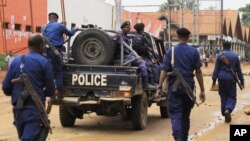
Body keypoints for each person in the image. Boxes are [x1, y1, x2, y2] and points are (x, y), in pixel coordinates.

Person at [2, 34, 55, 141]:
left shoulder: (15, 61)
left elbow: (6, 87)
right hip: (34, 111)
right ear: (41, 46)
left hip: (18, 111)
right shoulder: (44, 62)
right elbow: (50, 90)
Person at [156, 28, 205, 141]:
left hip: (174, 88)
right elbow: (198, 71)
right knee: (185, 115)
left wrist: (159, 86)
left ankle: (178, 138)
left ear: (177, 36)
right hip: (189, 86)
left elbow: (164, 70)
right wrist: (202, 90)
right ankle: (184, 138)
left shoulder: (170, 51)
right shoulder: (194, 52)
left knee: (176, 114)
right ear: (188, 37)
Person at [42, 12, 77, 97]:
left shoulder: (44, 26)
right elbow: (70, 33)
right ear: (57, 19)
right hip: (55, 51)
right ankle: (60, 90)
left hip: (45, 51)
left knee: (48, 70)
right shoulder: (60, 26)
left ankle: (48, 88)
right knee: (58, 70)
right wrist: (75, 29)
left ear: (49, 18)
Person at [114, 21, 155, 89]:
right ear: (122, 28)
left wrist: (136, 56)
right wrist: (136, 57)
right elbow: (125, 49)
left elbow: (129, 49)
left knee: (145, 62)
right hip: (121, 56)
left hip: (126, 55)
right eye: (126, 27)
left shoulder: (125, 36)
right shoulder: (120, 36)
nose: (127, 28)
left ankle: (150, 82)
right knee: (142, 63)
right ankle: (146, 84)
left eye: (128, 27)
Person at [212, 41, 244, 123]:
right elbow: (239, 70)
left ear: (223, 46)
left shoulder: (219, 55)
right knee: (232, 96)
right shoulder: (235, 56)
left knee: (223, 96)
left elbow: (216, 69)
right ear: (230, 46)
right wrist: (242, 80)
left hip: (221, 78)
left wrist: (214, 80)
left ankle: (225, 113)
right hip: (231, 79)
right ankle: (228, 109)